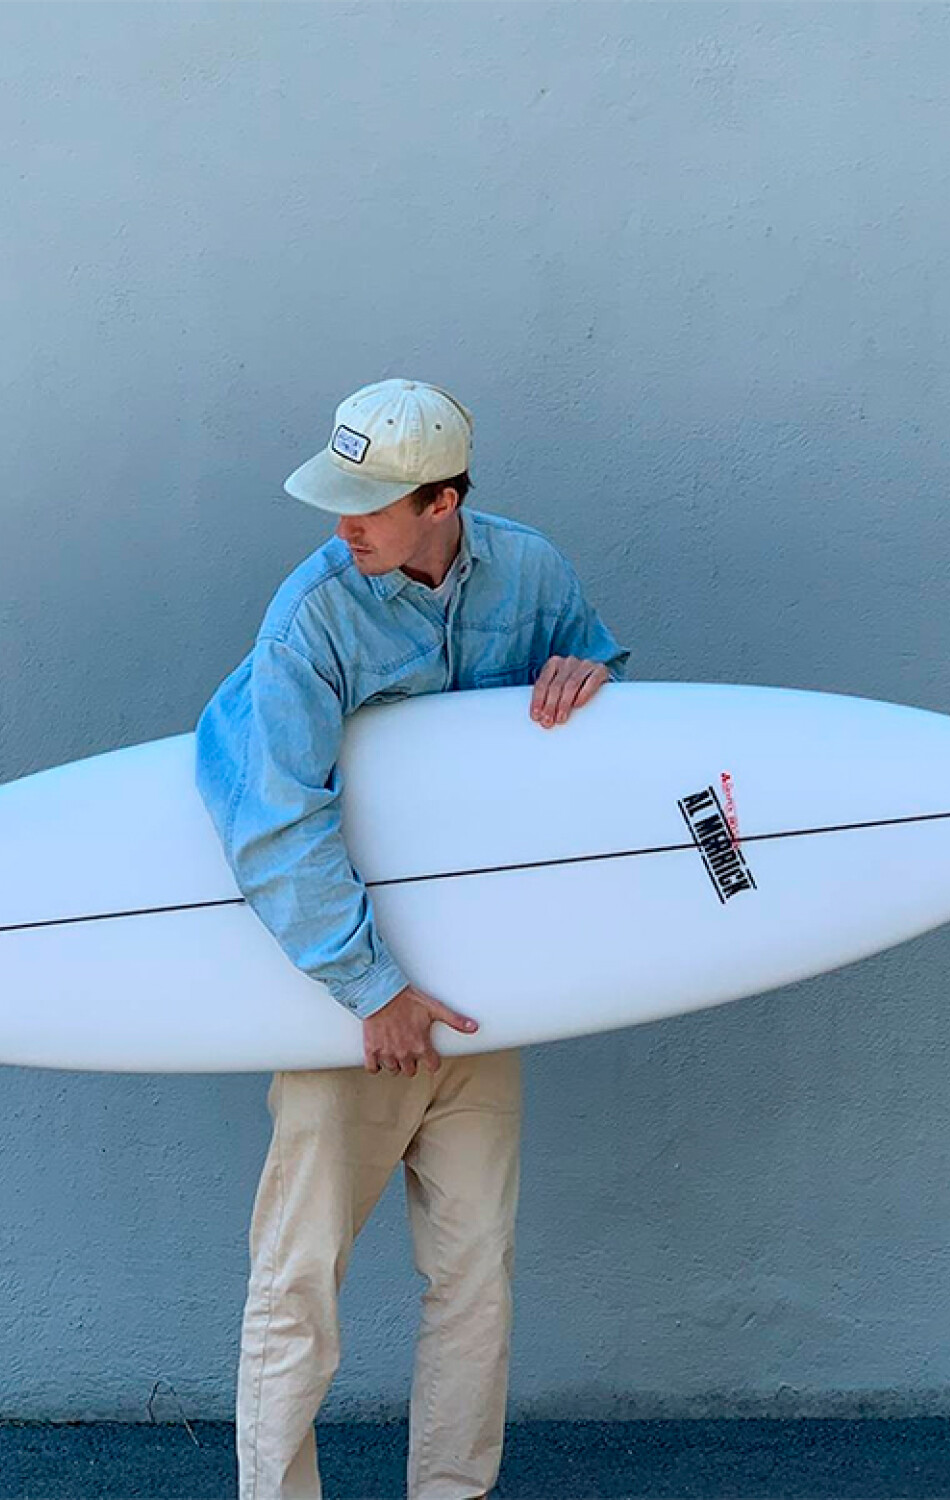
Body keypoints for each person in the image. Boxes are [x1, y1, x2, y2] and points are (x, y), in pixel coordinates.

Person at [195, 378, 629, 1500]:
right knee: (298, 1283)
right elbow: (275, 822)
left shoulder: (531, 573)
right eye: (337, 499)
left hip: (480, 1003)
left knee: (475, 1282)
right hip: (351, 1006)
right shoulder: (312, 617)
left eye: (371, 504)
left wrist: (594, 676)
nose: (344, 525)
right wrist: (372, 988)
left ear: (443, 501)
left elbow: (597, 717)